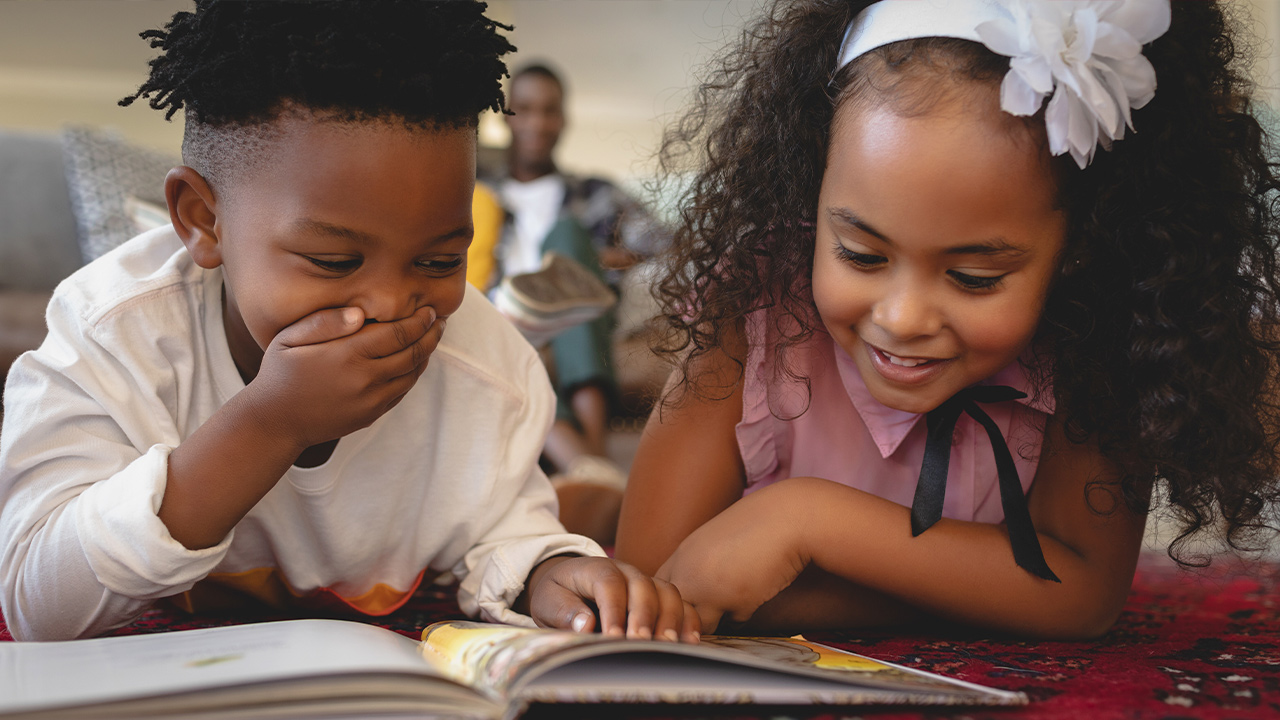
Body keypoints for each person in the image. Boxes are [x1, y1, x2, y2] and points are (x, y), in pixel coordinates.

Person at [0, 0, 699, 643]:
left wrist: (550, 573)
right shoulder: (111, 335)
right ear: (202, 219)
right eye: (333, 261)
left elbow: (503, 534)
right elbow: (37, 605)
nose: (392, 304)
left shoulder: (486, 369)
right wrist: (267, 424)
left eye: (437, 260)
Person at [615, 0, 1280, 639]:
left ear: (1083, 245)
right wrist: (983, 593)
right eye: (861, 254)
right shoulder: (753, 310)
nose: (902, 318)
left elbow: (1082, 596)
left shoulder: (1099, 340)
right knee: (596, 527)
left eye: (973, 277)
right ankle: (589, 500)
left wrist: (807, 522)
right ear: (810, 189)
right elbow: (654, 579)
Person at [479, 63, 668, 544]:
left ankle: (588, 458)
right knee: (500, 335)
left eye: (550, 111)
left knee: (566, 238)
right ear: (507, 116)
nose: (538, 123)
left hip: (582, 318)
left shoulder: (594, 194)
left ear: (563, 120)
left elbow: (668, 245)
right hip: (507, 319)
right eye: (525, 110)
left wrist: (592, 256)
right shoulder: (476, 194)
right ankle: (594, 467)